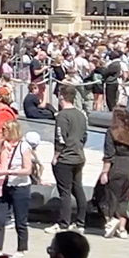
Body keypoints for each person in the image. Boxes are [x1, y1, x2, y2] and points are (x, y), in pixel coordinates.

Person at [0, 119, 35, 256]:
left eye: (4, 130)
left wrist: (6, 172)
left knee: (20, 220)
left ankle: (21, 250)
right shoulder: (2, 145)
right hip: (3, 185)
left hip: (20, 186)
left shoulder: (24, 147)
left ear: (12, 131)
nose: (2, 132)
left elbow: (27, 170)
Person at [51, 85, 89, 232]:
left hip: (66, 157)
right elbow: (85, 136)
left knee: (65, 192)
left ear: (61, 97)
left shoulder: (62, 115)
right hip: (79, 156)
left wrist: (56, 155)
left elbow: (60, 137)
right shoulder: (81, 115)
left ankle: (63, 223)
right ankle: (81, 222)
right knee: (78, 188)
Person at [101, 108, 129, 239]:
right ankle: (122, 229)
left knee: (112, 197)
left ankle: (113, 221)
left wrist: (104, 172)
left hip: (117, 166)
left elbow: (109, 155)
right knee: (125, 198)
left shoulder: (111, 132)